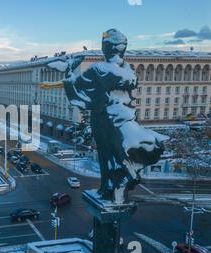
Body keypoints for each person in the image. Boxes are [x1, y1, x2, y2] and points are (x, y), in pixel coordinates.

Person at [41, 29, 168, 203]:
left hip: (104, 119)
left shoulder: (99, 68)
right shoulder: (128, 69)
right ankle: (116, 186)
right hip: (125, 118)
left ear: (106, 47)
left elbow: (78, 86)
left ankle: (112, 186)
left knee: (107, 155)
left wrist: (62, 82)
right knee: (120, 153)